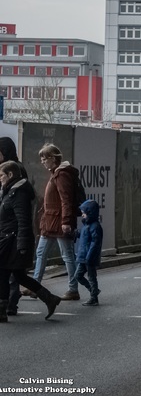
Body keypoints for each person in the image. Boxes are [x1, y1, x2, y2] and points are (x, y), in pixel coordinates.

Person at [0, 161, 61, 322]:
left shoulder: (19, 193)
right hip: (9, 240)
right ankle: (50, 299)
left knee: (4, 273)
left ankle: (2, 311)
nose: (0, 178)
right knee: (19, 276)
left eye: (1, 175)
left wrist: (22, 245)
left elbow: (23, 220)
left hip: (13, 241)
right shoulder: (10, 191)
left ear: (10, 175)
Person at [28, 144, 80, 301]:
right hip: (51, 222)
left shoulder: (61, 175)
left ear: (53, 159)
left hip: (57, 222)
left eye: (44, 159)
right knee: (42, 253)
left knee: (67, 256)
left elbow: (66, 200)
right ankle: (35, 286)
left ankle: (73, 289)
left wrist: (66, 221)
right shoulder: (57, 174)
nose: (42, 162)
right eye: (41, 159)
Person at [0, 137, 29, 315]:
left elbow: (20, 211)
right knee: (13, 272)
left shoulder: (16, 171)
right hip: (5, 229)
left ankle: (9, 304)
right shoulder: (4, 170)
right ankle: (48, 298)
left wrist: (22, 239)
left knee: (11, 272)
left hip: (13, 232)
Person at [74, 200, 103, 306]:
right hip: (83, 256)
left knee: (91, 277)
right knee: (78, 276)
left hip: (89, 257)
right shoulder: (86, 225)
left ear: (90, 213)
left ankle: (94, 297)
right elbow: (82, 236)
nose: (82, 214)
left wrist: (90, 256)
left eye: (84, 212)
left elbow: (95, 243)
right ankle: (93, 291)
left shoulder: (94, 226)